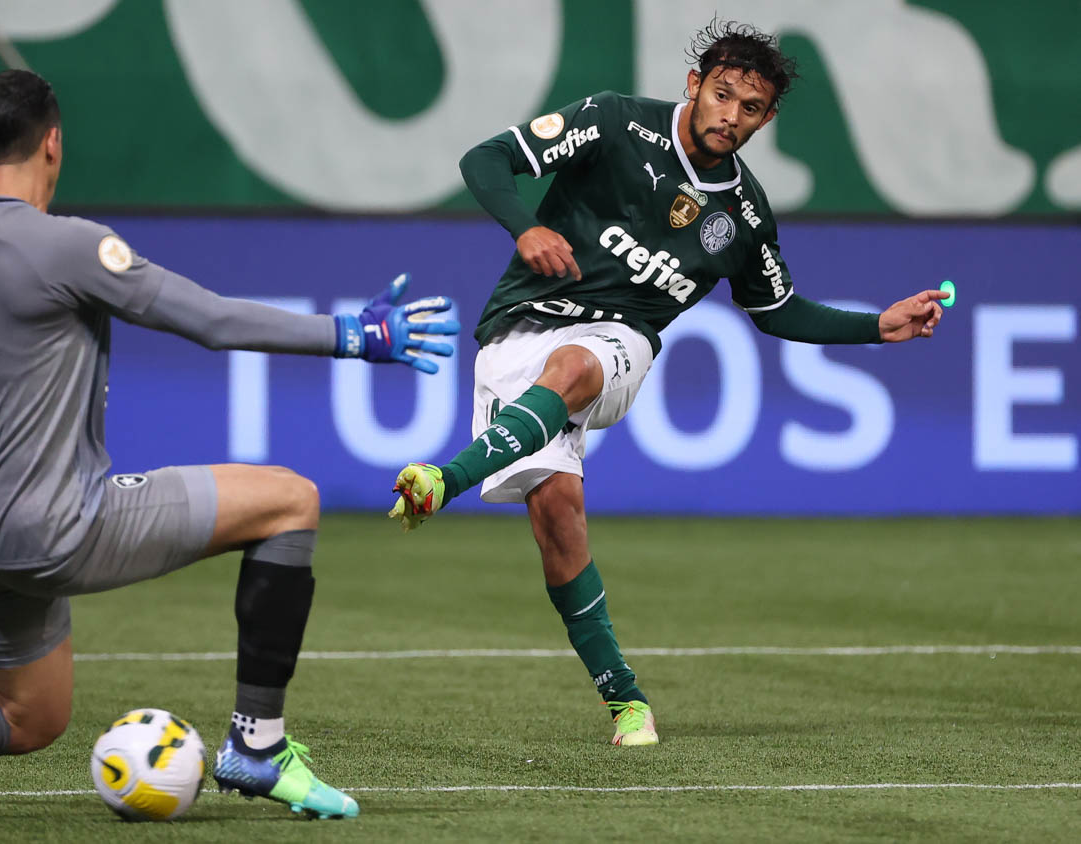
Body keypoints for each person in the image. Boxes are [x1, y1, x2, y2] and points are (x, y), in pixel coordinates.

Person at [0, 69, 459, 823]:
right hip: (61, 528)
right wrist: (354, 335)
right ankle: (257, 745)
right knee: (291, 501)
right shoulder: (74, 249)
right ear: (53, 143)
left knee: (31, 720)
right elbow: (212, 321)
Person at [387, 20, 946, 747]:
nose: (731, 117)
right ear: (695, 85)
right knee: (558, 518)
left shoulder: (743, 212)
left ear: (767, 117)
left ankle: (440, 479)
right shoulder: (613, 121)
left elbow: (776, 310)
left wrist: (878, 325)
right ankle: (627, 701)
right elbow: (487, 158)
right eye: (722, 96)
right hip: (518, 329)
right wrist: (525, 228)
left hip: (619, 343)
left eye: (750, 109)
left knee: (579, 366)